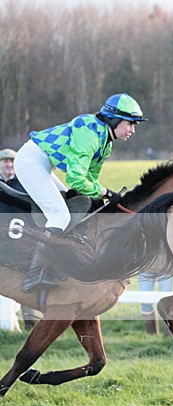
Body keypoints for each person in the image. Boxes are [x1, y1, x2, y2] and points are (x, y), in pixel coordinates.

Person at [14, 93, 148, 293]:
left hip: (43, 164)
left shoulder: (105, 142)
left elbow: (89, 179)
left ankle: (55, 262)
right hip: (30, 161)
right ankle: (33, 274)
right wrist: (105, 192)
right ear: (114, 119)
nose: (132, 130)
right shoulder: (90, 132)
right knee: (60, 214)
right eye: (130, 123)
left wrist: (102, 197)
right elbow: (76, 179)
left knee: (74, 208)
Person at [0, 148, 42, 328]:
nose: (8, 164)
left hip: (22, 240)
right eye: (5, 161)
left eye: (11, 161)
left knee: (25, 281)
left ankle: (33, 324)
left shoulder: (25, 185)